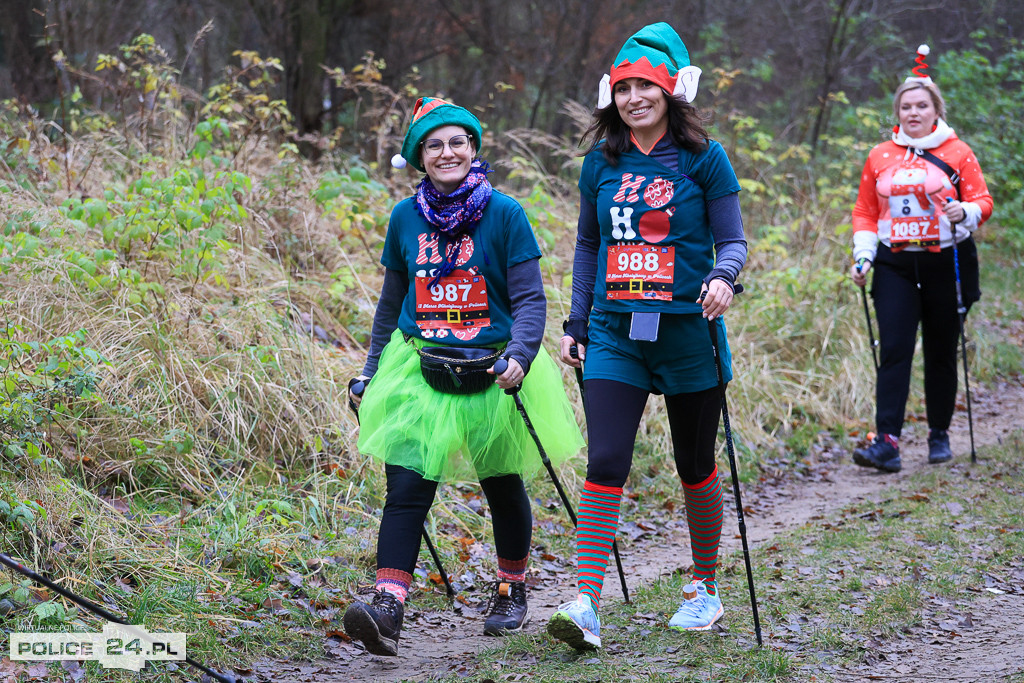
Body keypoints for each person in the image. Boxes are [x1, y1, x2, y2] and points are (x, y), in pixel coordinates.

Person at [342, 97, 583, 656]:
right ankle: (388, 607)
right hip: (419, 366)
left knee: (500, 481)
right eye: (434, 144)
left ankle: (510, 587)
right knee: (406, 487)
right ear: (419, 157)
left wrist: (521, 356)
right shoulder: (405, 218)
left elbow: (528, 300)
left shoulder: (505, 213)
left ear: (474, 149)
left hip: (494, 366)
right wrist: (371, 373)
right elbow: (389, 306)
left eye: (457, 142)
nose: (447, 152)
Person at [546, 23, 747, 650]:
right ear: (612, 95)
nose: (634, 97)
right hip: (614, 332)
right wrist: (577, 320)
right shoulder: (600, 163)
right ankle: (584, 602)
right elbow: (587, 244)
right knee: (606, 458)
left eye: (646, 86)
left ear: (671, 92)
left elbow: (734, 240)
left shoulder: (704, 158)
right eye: (624, 87)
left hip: (689, 332)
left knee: (694, 465)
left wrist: (724, 277)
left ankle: (703, 589)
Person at [850, 45, 993, 473]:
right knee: (893, 348)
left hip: (944, 261)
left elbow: (983, 201)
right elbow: (865, 212)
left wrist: (963, 212)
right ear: (898, 111)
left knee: (941, 350)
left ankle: (939, 434)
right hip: (894, 263)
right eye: (906, 106)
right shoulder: (879, 155)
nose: (913, 113)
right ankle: (887, 442)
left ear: (935, 110)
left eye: (921, 106)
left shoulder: (957, 152)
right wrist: (863, 256)